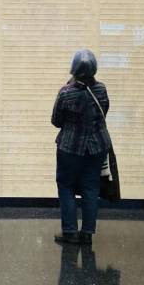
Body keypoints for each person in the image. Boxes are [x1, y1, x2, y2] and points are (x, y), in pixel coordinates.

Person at [52, 49, 111, 244]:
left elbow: (56, 121)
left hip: (70, 147)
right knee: (90, 188)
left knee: (66, 186)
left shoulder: (66, 92)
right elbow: (104, 112)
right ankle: (87, 233)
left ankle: (69, 231)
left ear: (73, 68)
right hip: (96, 147)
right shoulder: (101, 89)